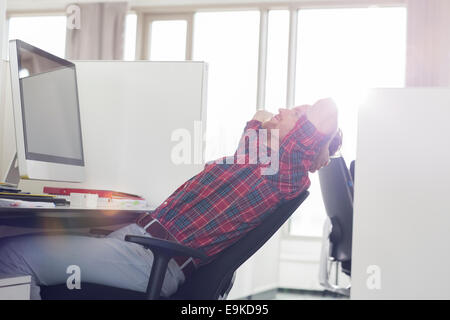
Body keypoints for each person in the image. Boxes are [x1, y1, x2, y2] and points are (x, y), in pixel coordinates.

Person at [0, 98, 341, 300]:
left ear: (305, 145)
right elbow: (260, 115)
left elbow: (327, 109)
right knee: (25, 245)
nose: (283, 108)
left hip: (150, 261)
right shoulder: (254, 163)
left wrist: (315, 143)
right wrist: (273, 124)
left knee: (12, 256)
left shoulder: (284, 175)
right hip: (136, 243)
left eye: (296, 112)